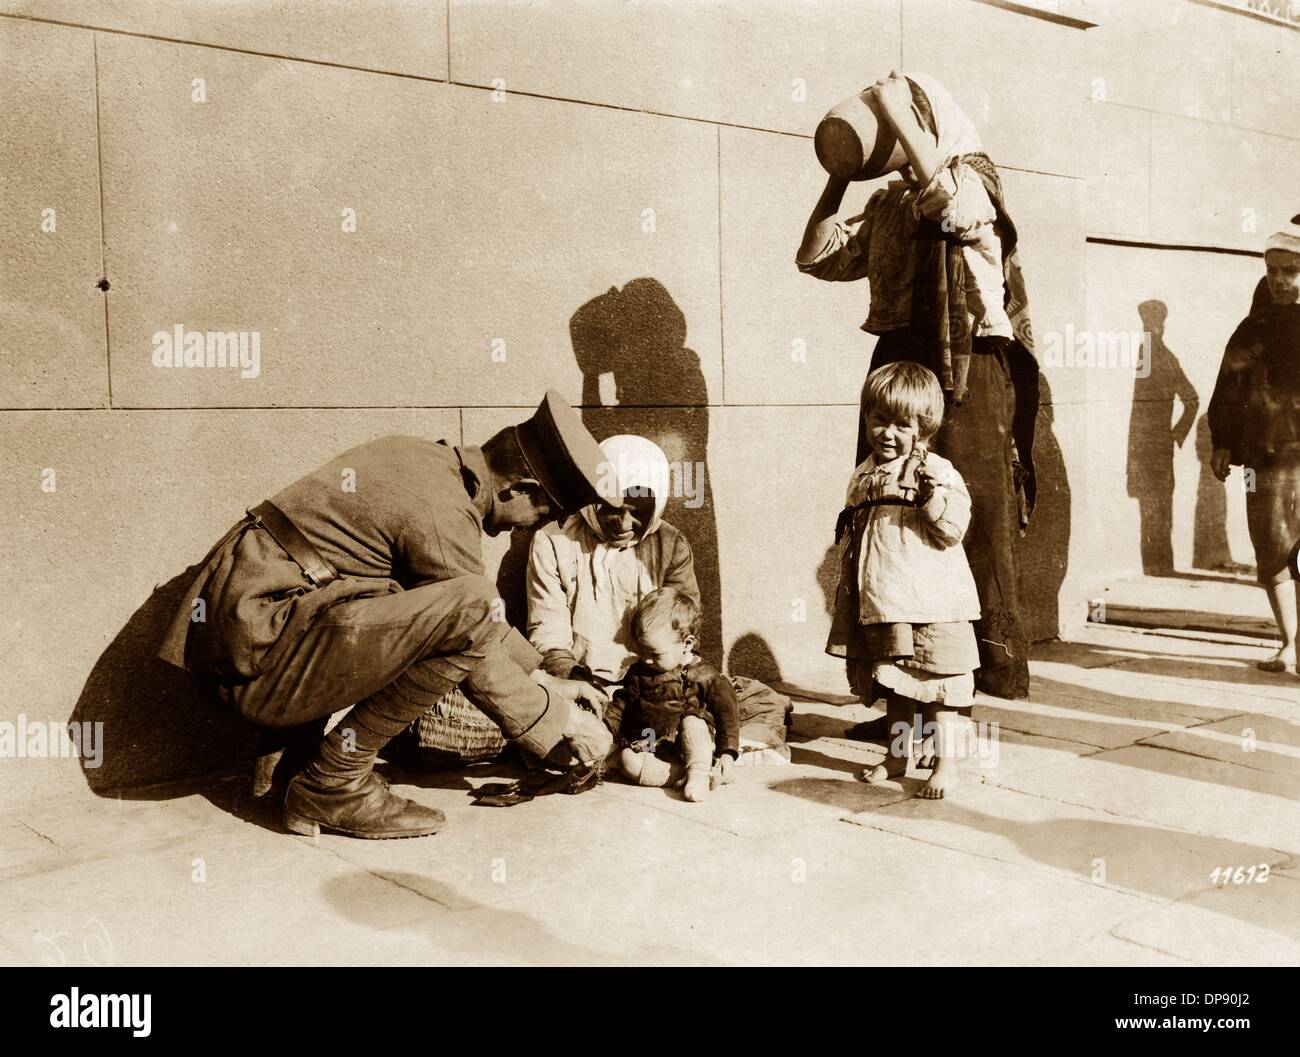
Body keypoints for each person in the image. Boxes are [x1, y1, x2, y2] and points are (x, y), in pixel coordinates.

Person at [157, 390, 617, 839]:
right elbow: (473, 624)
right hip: (255, 664)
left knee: (418, 603)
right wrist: (559, 723)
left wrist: (544, 675)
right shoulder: (444, 512)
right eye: (540, 516)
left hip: (247, 637)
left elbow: (457, 617)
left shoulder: (419, 458)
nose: (526, 528)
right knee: (468, 603)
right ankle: (333, 783)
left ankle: (288, 764)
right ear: (520, 488)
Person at [797, 70, 1039, 712]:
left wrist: (892, 107)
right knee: (886, 513)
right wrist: (842, 172)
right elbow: (816, 256)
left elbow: (950, 205)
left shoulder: (975, 179)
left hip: (967, 364)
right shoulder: (888, 205)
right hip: (902, 362)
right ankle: (893, 685)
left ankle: (974, 681)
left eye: (908, 122)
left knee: (973, 517)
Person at [829, 362, 981, 799]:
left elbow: (952, 529)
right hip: (888, 599)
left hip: (934, 601)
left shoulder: (937, 471)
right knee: (896, 681)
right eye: (879, 420)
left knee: (939, 685)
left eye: (901, 424)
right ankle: (898, 756)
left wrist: (933, 497)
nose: (887, 433)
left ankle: (946, 764)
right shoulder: (863, 472)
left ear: (924, 427)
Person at [1209, 224, 1300, 675]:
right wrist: (1222, 440)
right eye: (1273, 271)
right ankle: (1290, 644)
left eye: (1291, 271)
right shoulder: (1253, 327)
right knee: (1270, 547)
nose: (1281, 280)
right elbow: (1228, 386)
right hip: (1261, 460)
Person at [603, 588, 740, 801]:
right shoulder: (640, 672)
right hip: (651, 742)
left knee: (693, 721)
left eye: (654, 654)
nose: (646, 660)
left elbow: (728, 718)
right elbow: (621, 705)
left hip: (693, 746)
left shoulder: (706, 677)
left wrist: (728, 754)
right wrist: (606, 733)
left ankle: (698, 770)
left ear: (687, 644)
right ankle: (682, 775)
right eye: (641, 651)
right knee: (626, 761)